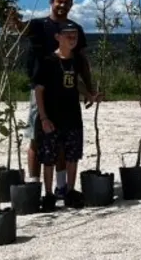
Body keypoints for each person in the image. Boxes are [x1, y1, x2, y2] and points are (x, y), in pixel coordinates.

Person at [13, 0, 94, 198]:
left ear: (71, 5)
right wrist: (12, 17)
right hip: (40, 88)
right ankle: (34, 185)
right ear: (51, 2)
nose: (62, 5)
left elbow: (82, 62)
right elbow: (21, 29)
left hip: (66, 90)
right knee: (36, 136)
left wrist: (89, 89)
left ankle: (60, 187)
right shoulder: (39, 25)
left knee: (62, 138)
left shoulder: (75, 29)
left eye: (67, 2)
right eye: (59, 1)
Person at [32, 22, 101, 211]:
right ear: (58, 37)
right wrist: (44, 118)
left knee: (72, 155)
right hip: (52, 116)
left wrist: (88, 94)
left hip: (72, 115)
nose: (72, 39)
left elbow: (75, 81)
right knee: (49, 157)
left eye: (75, 36)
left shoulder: (77, 60)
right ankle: (48, 194)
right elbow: (39, 90)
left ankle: (70, 190)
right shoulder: (47, 61)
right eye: (68, 35)